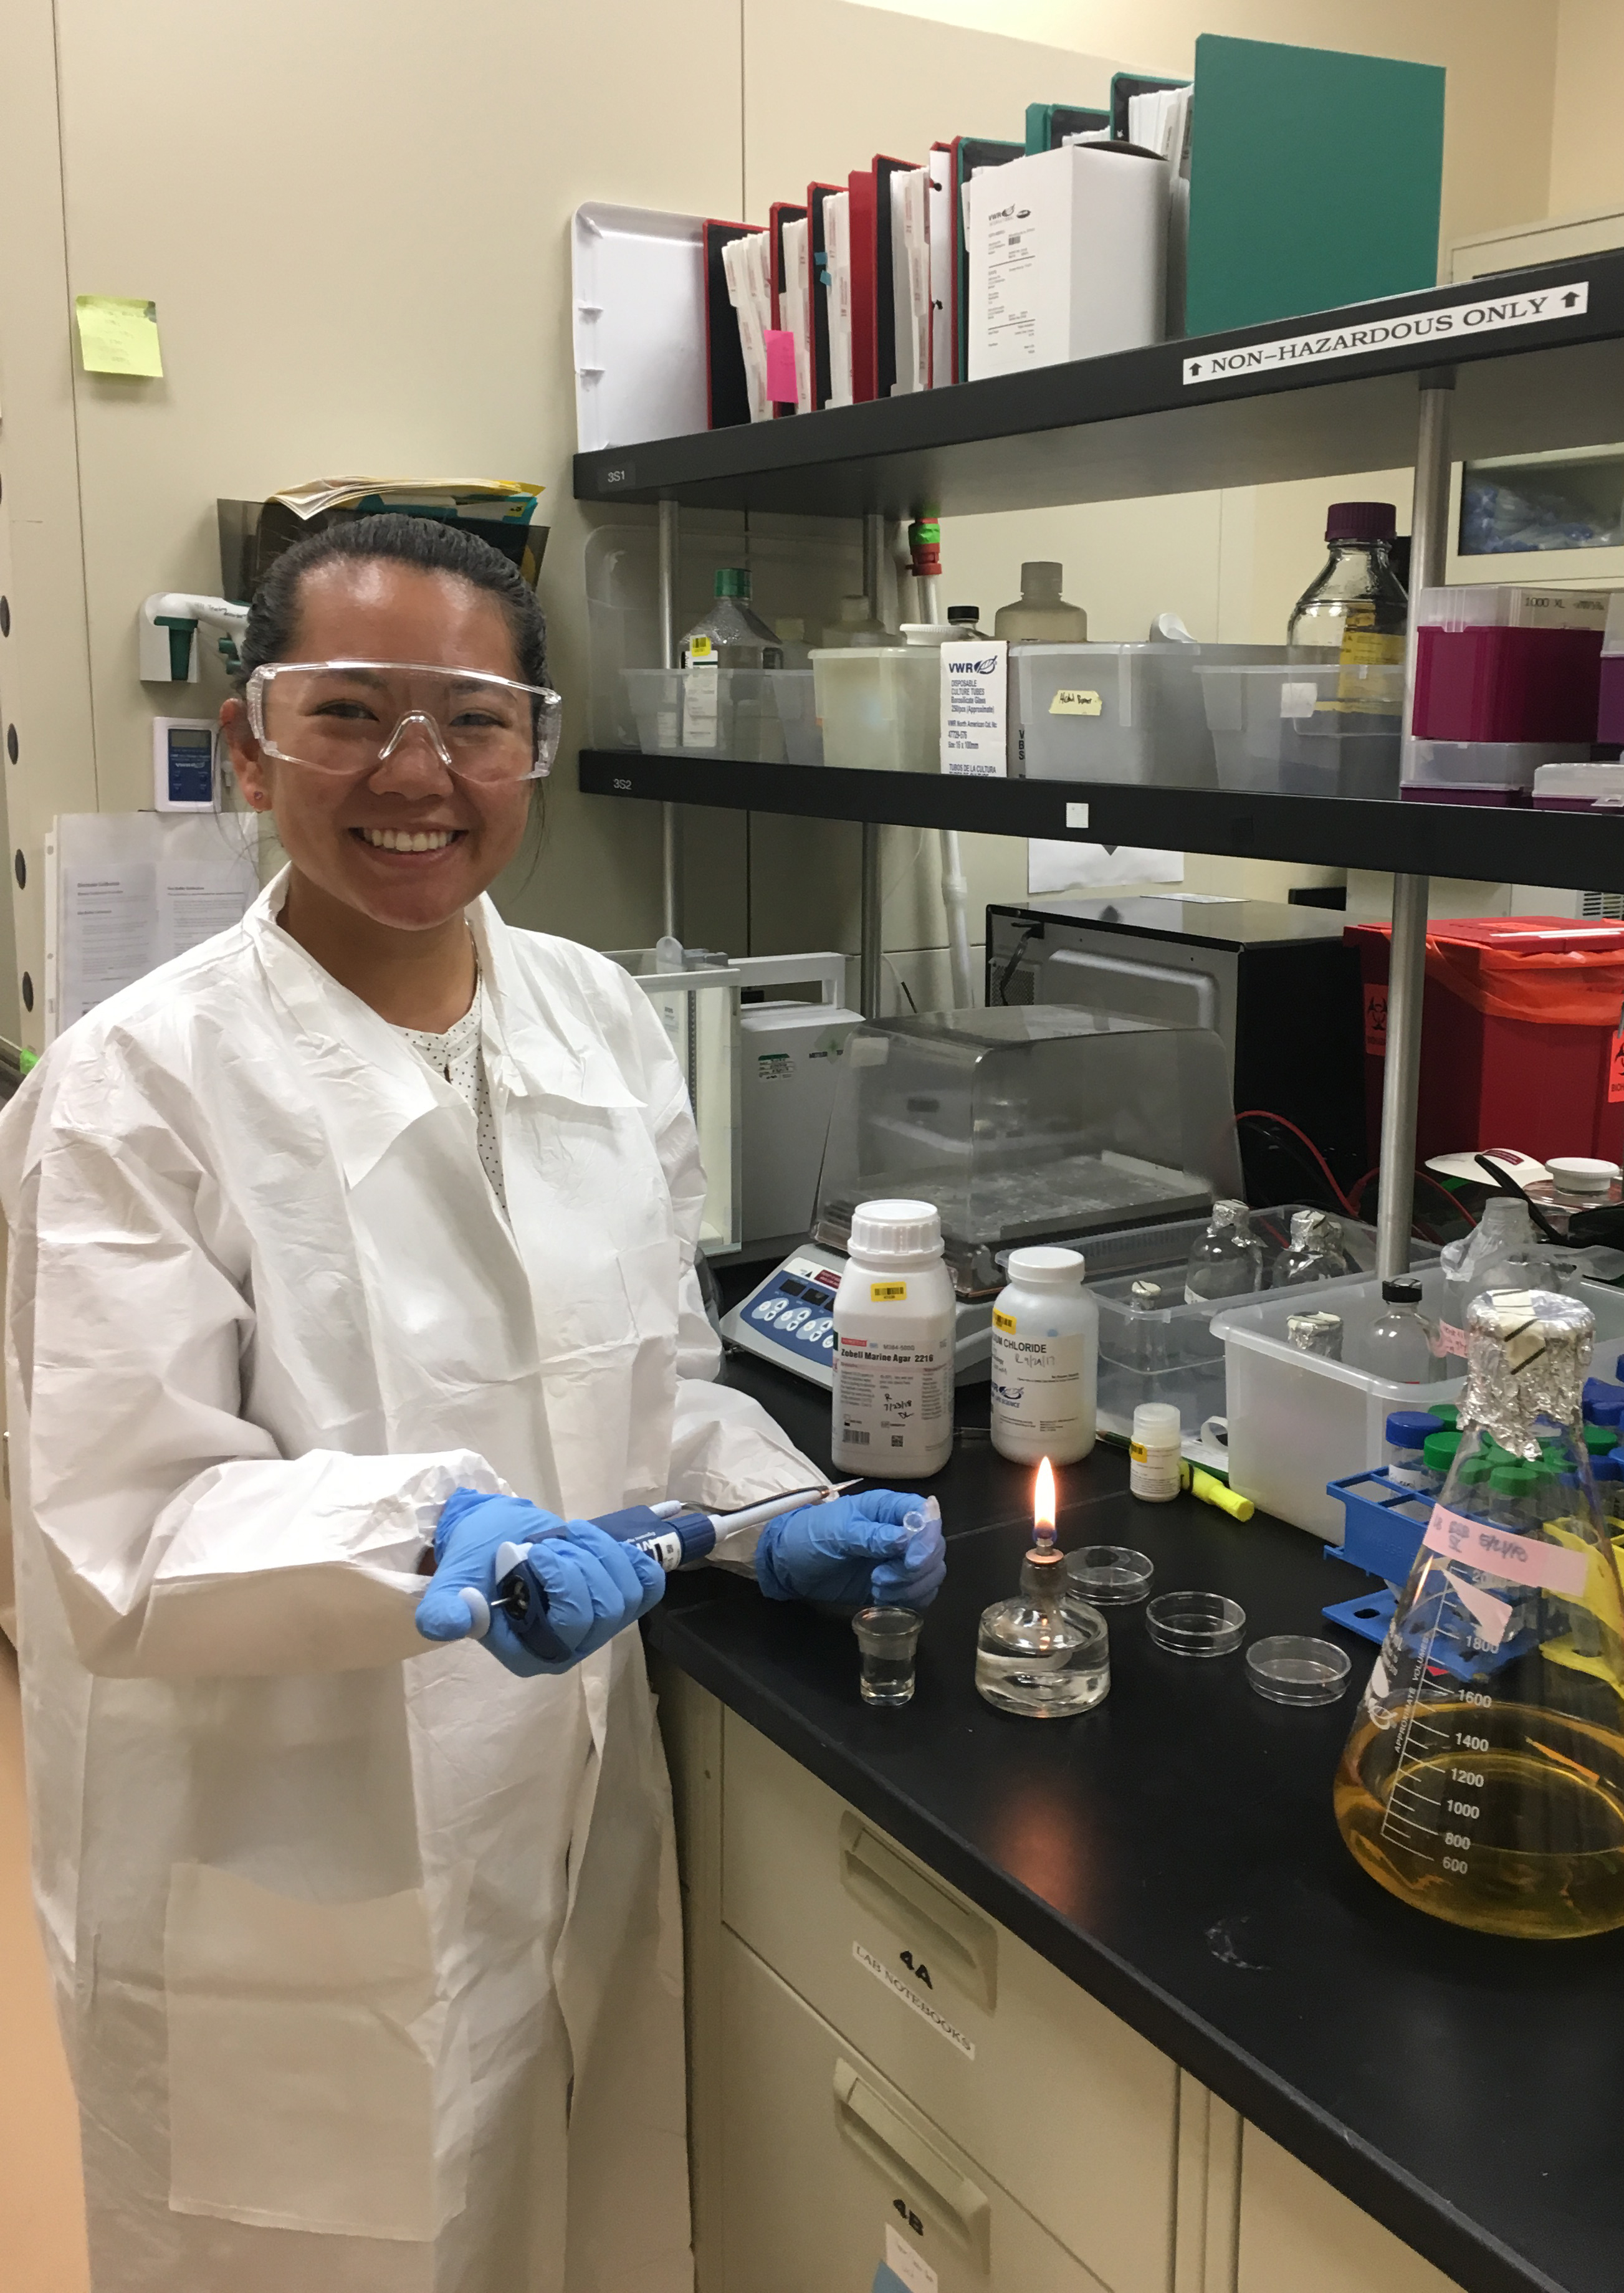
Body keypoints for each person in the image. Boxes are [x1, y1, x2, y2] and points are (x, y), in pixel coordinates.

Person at [0, 515, 947, 2293]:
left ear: (539, 740)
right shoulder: (136, 1089)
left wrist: (762, 1510)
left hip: (564, 1798)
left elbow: (648, 1369)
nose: (416, 775)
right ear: (254, 732)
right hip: (288, 1837)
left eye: (473, 721)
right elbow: (117, 1525)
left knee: (561, 2219)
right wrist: (439, 1528)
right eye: (351, 713)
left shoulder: (596, 1020)